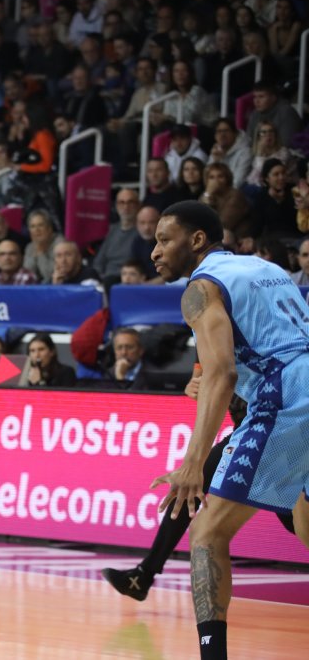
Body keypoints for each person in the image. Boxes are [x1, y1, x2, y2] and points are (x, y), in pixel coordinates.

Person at [148, 200, 309, 659]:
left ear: (197, 240)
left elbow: (222, 375)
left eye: (164, 240)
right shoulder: (265, 266)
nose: (155, 252)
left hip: (289, 395)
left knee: (207, 536)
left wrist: (193, 462)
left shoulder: (200, 288)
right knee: (304, 521)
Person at [102, 364, 297, 602]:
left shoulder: (256, 332)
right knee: (191, 485)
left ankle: (144, 575)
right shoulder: (205, 333)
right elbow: (202, 380)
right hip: (245, 431)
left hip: (273, 429)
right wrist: (194, 388)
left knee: (295, 519)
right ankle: (144, 574)